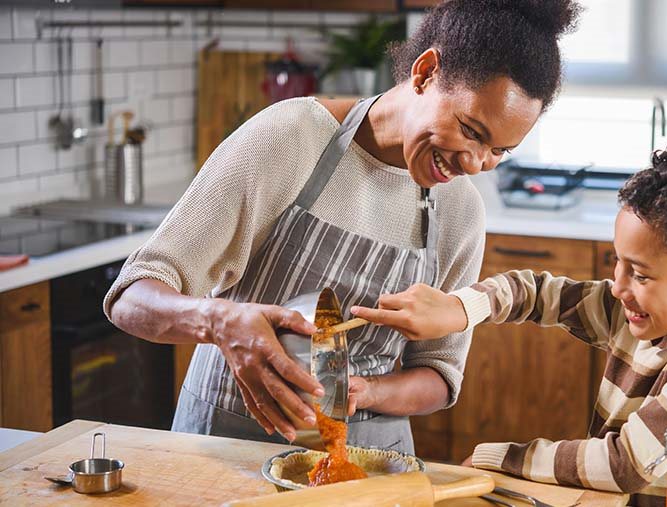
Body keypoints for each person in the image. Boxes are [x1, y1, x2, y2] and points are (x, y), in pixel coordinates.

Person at [103, 0, 581, 455]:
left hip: (368, 462)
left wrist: (365, 392)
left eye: (500, 150)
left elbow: (439, 374)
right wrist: (220, 321)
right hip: (226, 444)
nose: (477, 164)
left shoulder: (460, 211)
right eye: (473, 131)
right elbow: (132, 299)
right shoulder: (292, 138)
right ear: (426, 72)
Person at [352, 139, 667, 505]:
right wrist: (460, 309)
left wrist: (499, 458)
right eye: (618, 263)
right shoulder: (660, 305)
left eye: (640, 273)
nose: (617, 286)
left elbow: (627, 463)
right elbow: (536, 293)